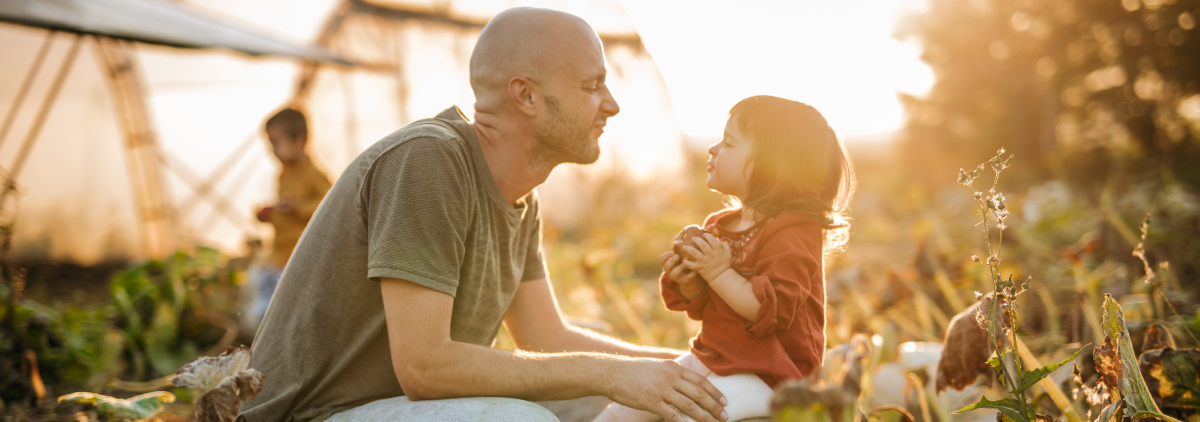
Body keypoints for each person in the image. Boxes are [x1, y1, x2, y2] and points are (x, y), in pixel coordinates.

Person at [239, 7, 728, 422]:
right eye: (592, 85)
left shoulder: (521, 197)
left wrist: (704, 367)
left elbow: (547, 337)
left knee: (640, 400)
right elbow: (425, 368)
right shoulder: (429, 160)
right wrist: (609, 373)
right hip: (308, 416)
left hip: (395, 410)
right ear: (526, 96)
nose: (612, 105)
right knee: (520, 418)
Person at [593, 95, 856, 422]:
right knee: (627, 407)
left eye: (729, 143)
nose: (713, 149)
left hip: (771, 375)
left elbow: (769, 312)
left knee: (690, 416)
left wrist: (718, 272)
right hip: (714, 358)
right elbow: (713, 309)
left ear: (774, 167)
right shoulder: (719, 225)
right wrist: (693, 285)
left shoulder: (794, 231)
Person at [248, 108, 332, 327]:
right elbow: (284, 215)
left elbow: (329, 207)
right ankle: (266, 341)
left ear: (299, 141)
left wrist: (298, 207)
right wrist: (269, 215)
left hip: (300, 257)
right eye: (270, 144)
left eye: (277, 143)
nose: (273, 150)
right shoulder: (284, 174)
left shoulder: (314, 174)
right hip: (279, 254)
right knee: (266, 304)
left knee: (287, 309)